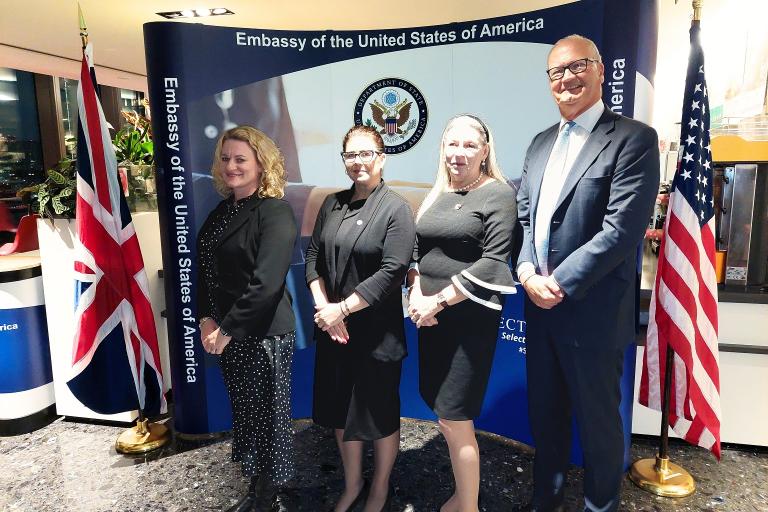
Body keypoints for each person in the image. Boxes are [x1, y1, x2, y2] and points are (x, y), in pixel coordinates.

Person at [515, 35, 660, 512]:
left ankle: (600, 504)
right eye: (556, 72)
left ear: (600, 72)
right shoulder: (538, 144)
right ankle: (547, 500)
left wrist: (557, 282)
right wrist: (524, 271)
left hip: (592, 312)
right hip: (539, 310)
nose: (566, 78)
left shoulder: (634, 139)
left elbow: (621, 231)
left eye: (577, 66)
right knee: (546, 418)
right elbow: (523, 219)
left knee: (599, 425)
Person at [407, 114, 517, 512]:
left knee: (456, 419)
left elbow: (494, 263)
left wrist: (436, 302)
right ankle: (461, 497)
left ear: (485, 151)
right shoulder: (439, 192)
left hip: (467, 322)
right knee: (445, 417)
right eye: (452, 144)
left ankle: (467, 507)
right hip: (430, 320)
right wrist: (417, 295)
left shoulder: (498, 194)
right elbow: (418, 252)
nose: (459, 153)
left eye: (470, 145)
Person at [305, 125, 416, 512]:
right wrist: (324, 307)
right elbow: (312, 258)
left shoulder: (396, 208)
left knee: (380, 415)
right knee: (340, 412)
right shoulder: (331, 204)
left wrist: (343, 309)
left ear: (382, 157)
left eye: (366, 154)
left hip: (376, 337)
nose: (358, 162)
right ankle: (352, 485)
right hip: (332, 330)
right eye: (350, 155)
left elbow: (392, 270)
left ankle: (380, 489)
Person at [196, 126, 299, 512]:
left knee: (268, 418)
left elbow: (267, 284)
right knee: (247, 414)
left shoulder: (274, 211)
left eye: (241, 159)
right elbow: (205, 271)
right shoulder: (222, 212)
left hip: (263, 335)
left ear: (261, 163)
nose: (231, 167)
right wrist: (206, 320)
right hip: (226, 333)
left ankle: (267, 496)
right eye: (226, 159)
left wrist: (226, 330)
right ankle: (258, 484)